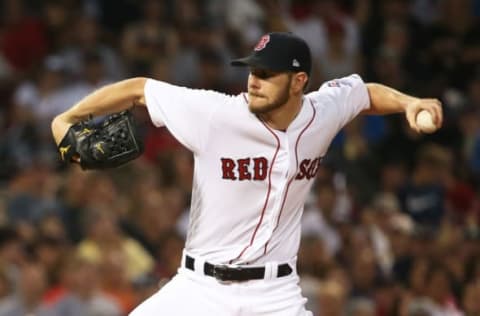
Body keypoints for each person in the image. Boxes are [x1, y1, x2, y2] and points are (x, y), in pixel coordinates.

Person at [51, 32, 443, 315]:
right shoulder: (216, 114)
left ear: (298, 82)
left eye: (267, 73)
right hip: (199, 289)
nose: (254, 80)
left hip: (275, 295)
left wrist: (410, 103)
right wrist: (68, 118)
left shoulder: (321, 112)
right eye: (252, 70)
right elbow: (139, 88)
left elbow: (364, 94)